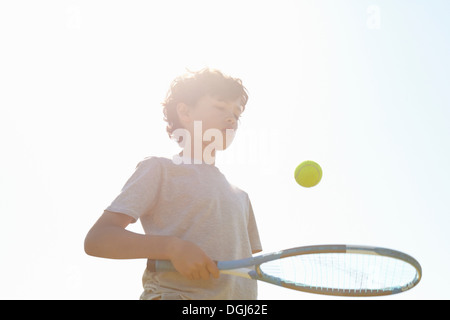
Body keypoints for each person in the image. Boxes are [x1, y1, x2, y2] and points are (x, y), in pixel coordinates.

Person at [84, 68, 262, 300]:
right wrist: (172, 248)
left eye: (236, 115)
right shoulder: (159, 169)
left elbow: (249, 267)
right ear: (185, 112)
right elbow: (98, 239)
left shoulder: (241, 197)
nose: (231, 119)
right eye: (220, 107)